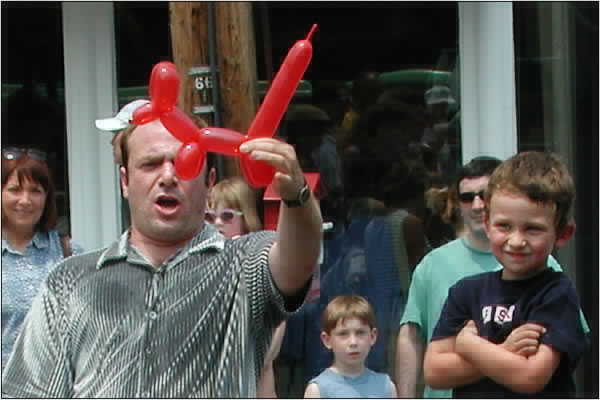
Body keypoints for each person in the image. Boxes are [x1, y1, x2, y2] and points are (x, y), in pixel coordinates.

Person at [1, 118, 323, 398]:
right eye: (151, 164)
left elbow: (298, 260)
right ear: (125, 182)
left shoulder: (243, 265)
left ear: (209, 181)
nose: (168, 176)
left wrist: (296, 195)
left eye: (185, 163)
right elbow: (29, 392)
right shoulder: (69, 281)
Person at [395, 155, 589, 398]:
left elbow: (529, 377)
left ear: (562, 233)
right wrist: (505, 350)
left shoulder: (556, 293)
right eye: (504, 226)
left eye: (533, 228)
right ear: (487, 223)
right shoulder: (465, 291)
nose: (516, 241)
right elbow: (435, 371)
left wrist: (470, 346)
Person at [1, 147, 83, 372]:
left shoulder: (69, 253)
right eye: (15, 190)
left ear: (47, 197)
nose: (25, 200)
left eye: (35, 191)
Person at [206, 176, 287, 398]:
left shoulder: (258, 259)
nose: (218, 223)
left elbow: (275, 331)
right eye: (209, 218)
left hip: (254, 377)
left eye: (227, 216)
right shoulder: (201, 261)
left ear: (246, 218)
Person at [304, 295, 397, 398]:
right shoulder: (317, 391)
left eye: (360, 332)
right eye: (343, 334)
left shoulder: (386, 387)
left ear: (372, 336)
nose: (353, 342)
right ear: (327, 340)